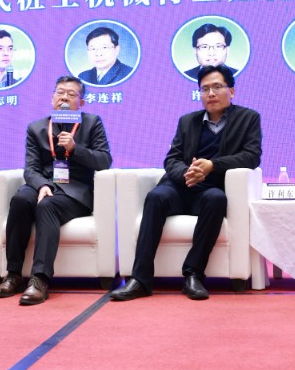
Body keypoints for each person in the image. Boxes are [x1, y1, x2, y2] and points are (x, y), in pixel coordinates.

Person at [111, 65, 261, 301]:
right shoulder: (187, 121)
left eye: (217, 87)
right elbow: (172, 159)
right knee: (156, 197)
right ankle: (140, 279)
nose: (211, 93)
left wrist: (212, 166)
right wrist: (187, 173)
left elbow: (251, 156)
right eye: (205, 89)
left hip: (211, 188)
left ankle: (193, 275)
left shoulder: (248, 118)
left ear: (231, 91)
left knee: (216, 199)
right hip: (181, 186)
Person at [0, 76, 113, 305]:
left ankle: (39, 279)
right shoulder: (36, 127)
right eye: (60, 92)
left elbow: (104, 160)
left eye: (71, 94)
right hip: (44, 183)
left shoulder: (92, 123)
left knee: (47, 206)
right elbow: (31, 168)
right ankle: (13, 274)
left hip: (75, 190)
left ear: (81, 102)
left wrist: (75, 149)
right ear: (52, 98)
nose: (64, 98)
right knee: (20, 200)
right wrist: (42, 185)